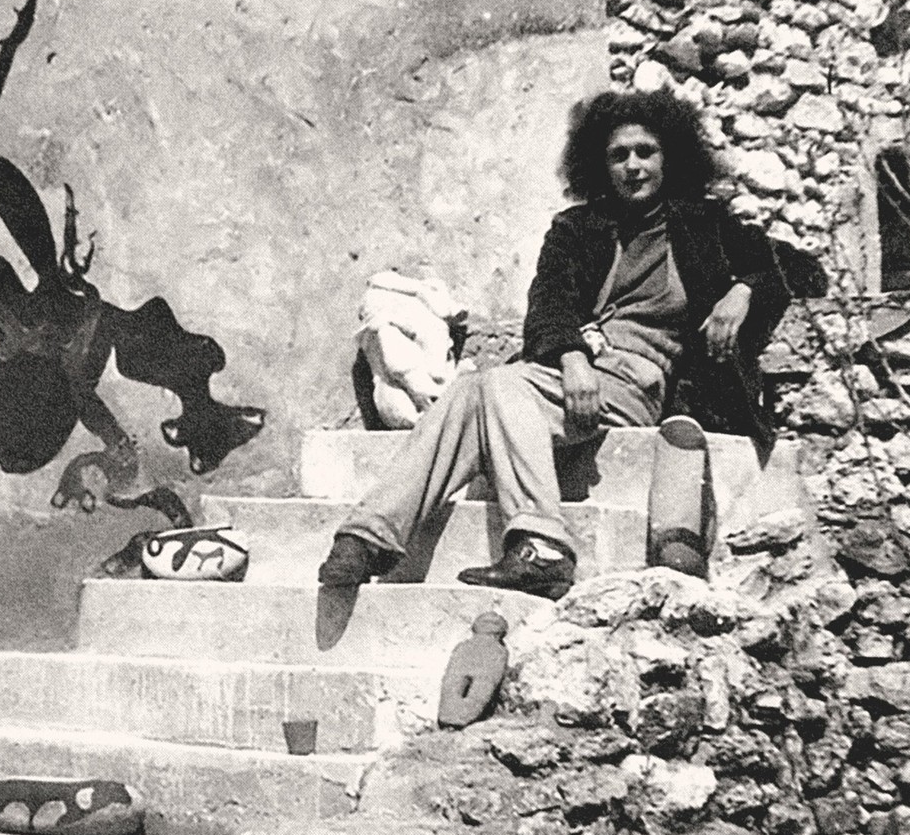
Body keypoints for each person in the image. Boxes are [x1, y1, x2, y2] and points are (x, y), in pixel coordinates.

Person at [317, 88, 794, 600]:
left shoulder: (706, 225)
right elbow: (547, 304)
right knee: (471, 392)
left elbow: (796, 268)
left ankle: (529, 541)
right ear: (600, 165)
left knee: (492, 386)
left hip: (640, 385)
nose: (633, 166)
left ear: (669, 157)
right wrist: (571, 357)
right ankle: (371, 536)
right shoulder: (577, 228)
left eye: (645, 152)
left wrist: (744, 290)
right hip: (569, 378)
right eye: (618, 156)